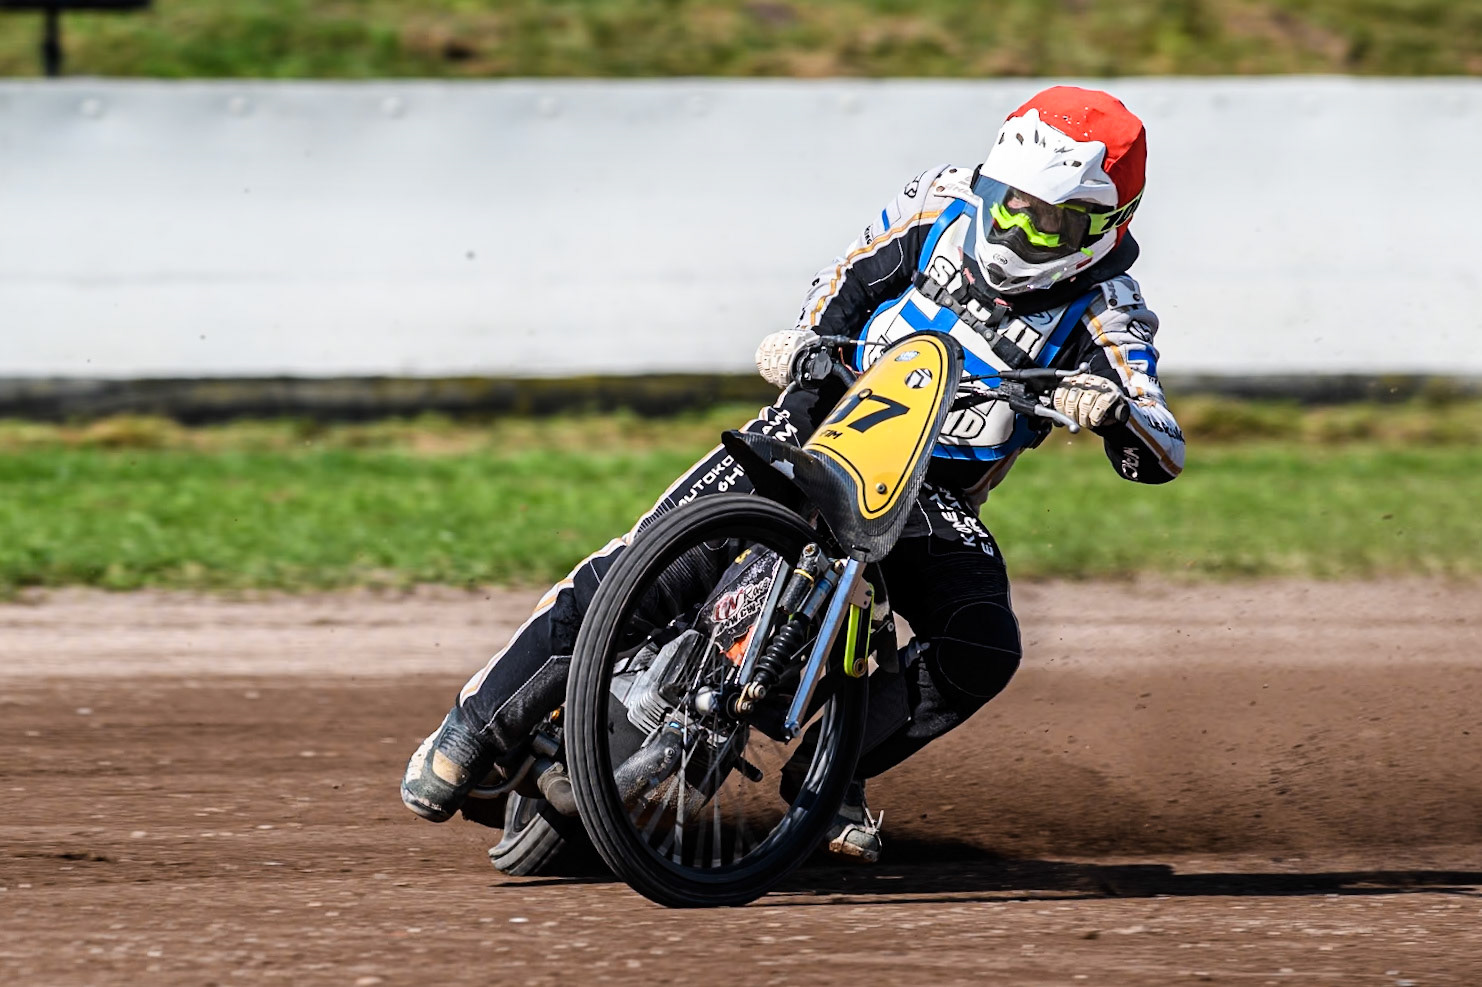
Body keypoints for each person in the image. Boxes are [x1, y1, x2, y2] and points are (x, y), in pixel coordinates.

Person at [402, 85, 1185, 863]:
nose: (1020, 228)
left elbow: (1161, 441)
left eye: (1051, 219)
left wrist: (1114, 413)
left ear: (1107, 227)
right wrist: (805, 343)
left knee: (984, 644)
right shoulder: (939, 201)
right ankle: (471, 728)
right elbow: (841, 281)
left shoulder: (1109, 310)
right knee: (656, 556)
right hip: (824, 415)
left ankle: (830, 767)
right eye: (1009, 204)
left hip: (928, 492)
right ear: (987, 181)